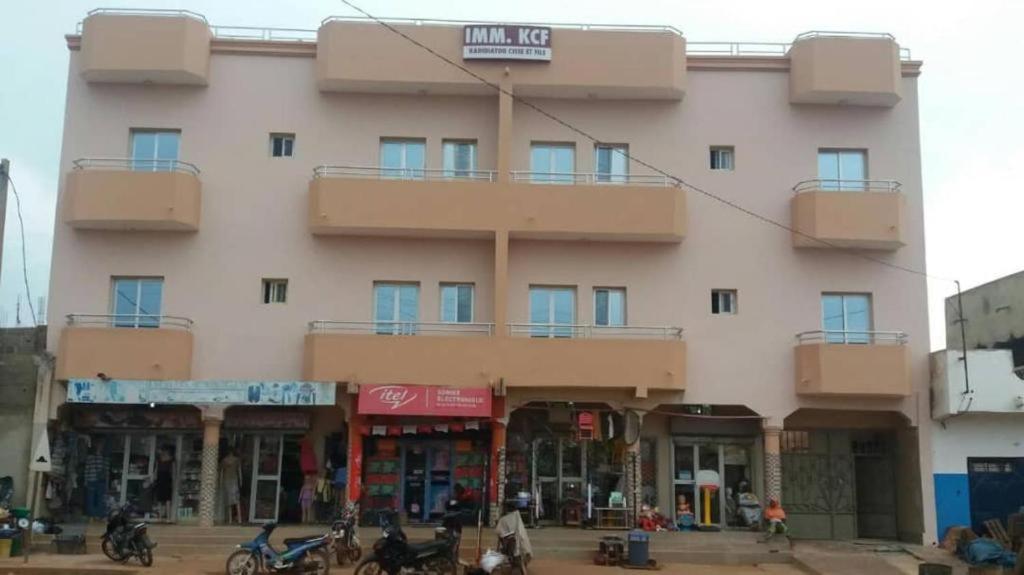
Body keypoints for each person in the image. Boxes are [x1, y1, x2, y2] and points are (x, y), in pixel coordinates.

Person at [83, 442, 109, 519]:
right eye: (99, 445)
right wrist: (86, 480)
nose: (100, 447)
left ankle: (98, 515)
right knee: (91, 498)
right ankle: (92, 515)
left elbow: (107, 471)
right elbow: (87, 469)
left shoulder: (104, 458)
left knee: (100, 498)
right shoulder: (91, 457)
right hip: (92, 480)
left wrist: (107, 482)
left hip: (100, 481)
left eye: (101, 446)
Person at [220, 449, 243, 524]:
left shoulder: (224, 460)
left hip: (227, 481)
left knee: (228, 500)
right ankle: (239, 519)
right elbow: (239, 471)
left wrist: (220, 482)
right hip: (234, 481)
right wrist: (241, 480)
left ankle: (230, 520)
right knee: (236, 500)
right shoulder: (237, 460)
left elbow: (222, 472)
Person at [153, 446, 175, 521]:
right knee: (161, 500)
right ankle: (160, 517)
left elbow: (173, 471)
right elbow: (156, 470)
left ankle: (167, 517)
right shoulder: (159, 460)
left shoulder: (171, 460)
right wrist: (154, 479)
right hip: (161, 480)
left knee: (167, 500)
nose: (163, 453)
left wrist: (174, 480)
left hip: (166, 479)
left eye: (164, 451)